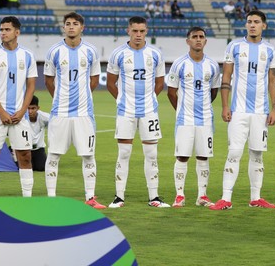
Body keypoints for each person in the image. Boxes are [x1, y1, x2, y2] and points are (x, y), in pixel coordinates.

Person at [210, 10, 275, 210]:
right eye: (249, 22)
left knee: (257, 154)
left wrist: (274, 109)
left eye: (256, 22)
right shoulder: (234, 47)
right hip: (238, 110)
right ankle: (226, 198)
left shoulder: (270, 50)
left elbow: (272, 81)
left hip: (260, 112)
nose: (252, 25)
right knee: (234, 152)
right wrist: (225, 106)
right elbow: (226, 78)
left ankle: (255, 198)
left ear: (263, 26)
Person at [44, 12, 106, 209]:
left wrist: (83, 95)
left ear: (82, 28)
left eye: (75, 24)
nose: (71, 27)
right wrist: (60, 98)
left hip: (83, 114)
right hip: (60, 112)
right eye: (68, 24)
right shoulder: (54, 51)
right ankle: (51, 197)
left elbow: (94, 79)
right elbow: (48, 80)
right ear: (64, 27)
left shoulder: (90, 51)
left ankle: (90, 197)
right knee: (53, 155)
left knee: (88, 155)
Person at [106, 16, 168, 208]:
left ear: (146, 31)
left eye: (142, 31)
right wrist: (123, 100)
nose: (138, 35)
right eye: (135, 31)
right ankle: (119, 197)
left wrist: (150, 99)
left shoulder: (155, 54)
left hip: (149, 111)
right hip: (126, 111)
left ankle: (154, 197)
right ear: (128, 31)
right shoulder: (118, 54)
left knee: (151, 154)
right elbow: (110, 83)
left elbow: (159, 83)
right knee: (124, 153)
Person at [0, 16, 37, 198]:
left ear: (17, 32)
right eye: (1, 30)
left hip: (21, 116)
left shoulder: (27, 55)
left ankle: (27, 198)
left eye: (7, 29)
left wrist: (21, 112)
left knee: (25, 156)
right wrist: (2, 112)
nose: (3, 33)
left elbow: (31, 87)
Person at [166, 27, 221, 208]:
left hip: (205, 118)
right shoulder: (179, 64)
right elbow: (171, 92)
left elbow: (214, 92)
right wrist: (181, 110)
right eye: (194, 37)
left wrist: (203, 107)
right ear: (187, 41)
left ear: (205, 41)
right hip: (185, 119)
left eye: (201, 37)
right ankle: (180, 195)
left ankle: (202, 196)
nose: (198, 40)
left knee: (203, 157)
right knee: (182, 156)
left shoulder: (212, 65)